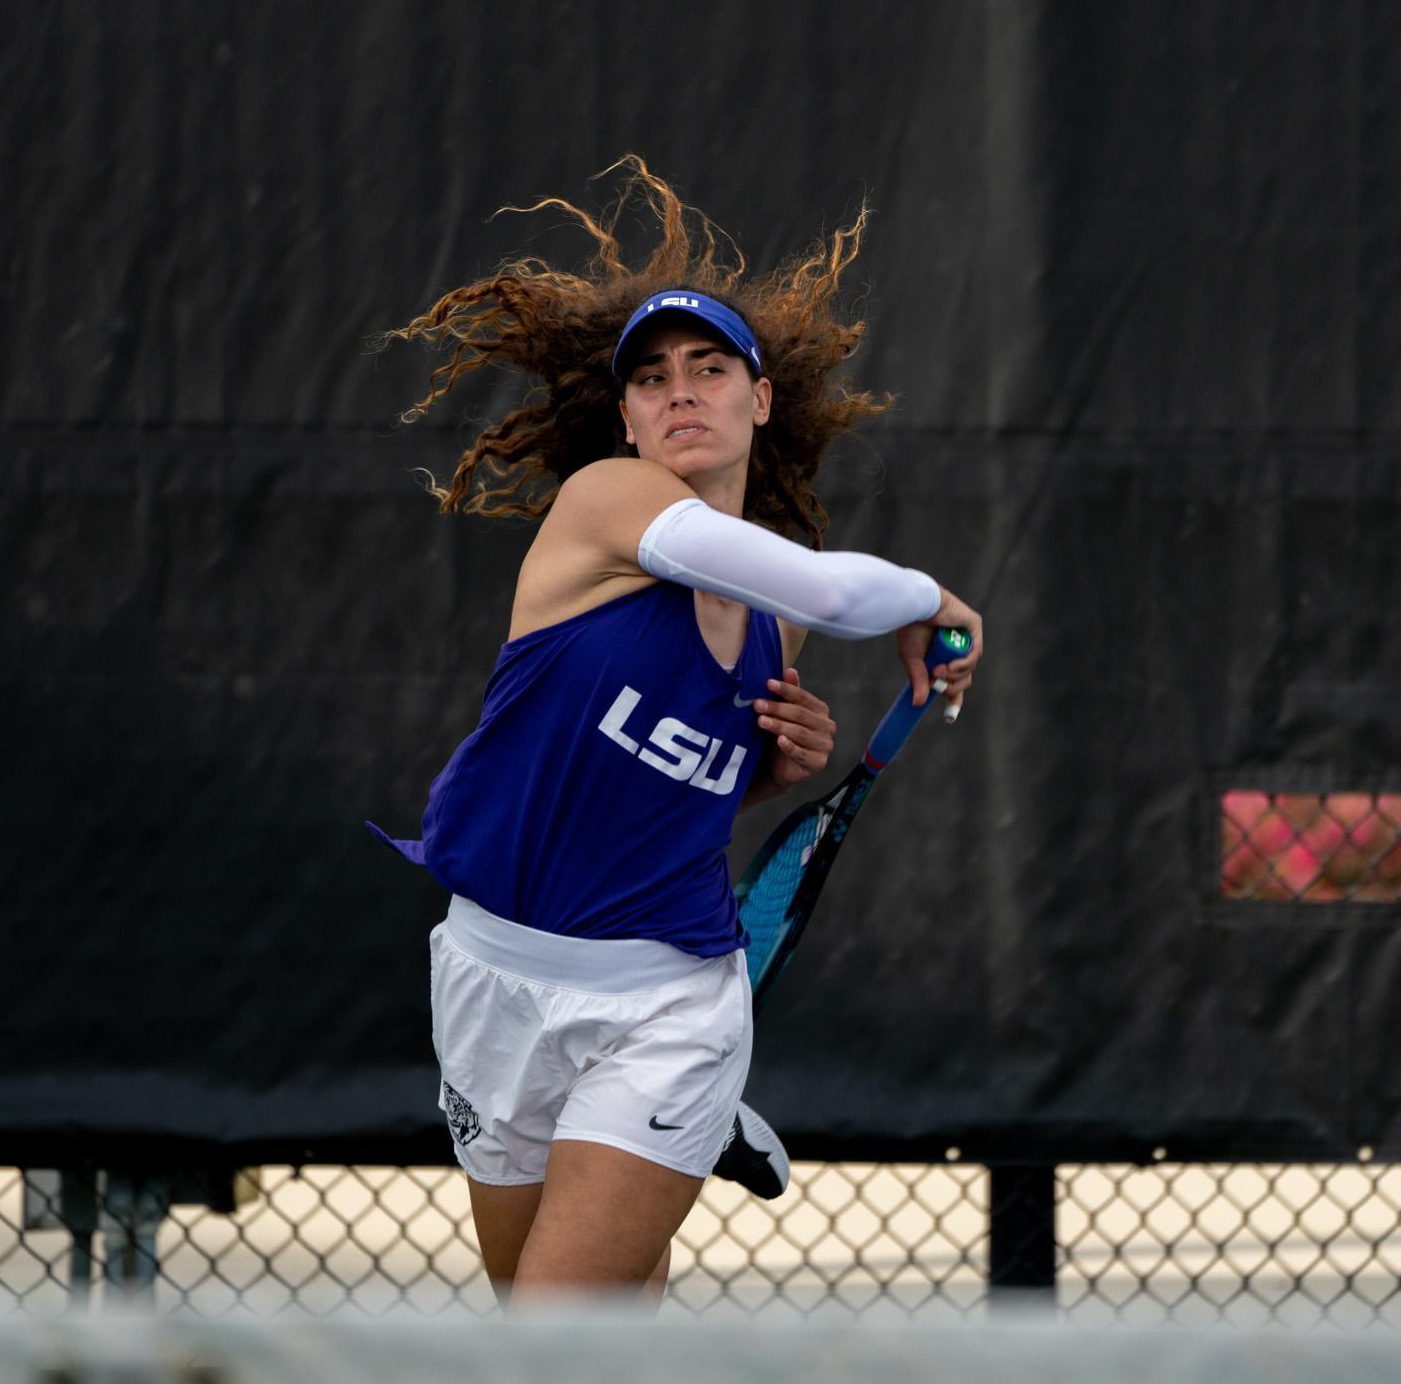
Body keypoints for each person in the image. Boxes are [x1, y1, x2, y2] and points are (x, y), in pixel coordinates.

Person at [366, 160, 983, 1303]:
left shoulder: (776, 621)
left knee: (555, 1345)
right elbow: (857, 599)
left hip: (662, 1003)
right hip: (491, 977)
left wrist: (760, 774)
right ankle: (686, 1134)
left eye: (709, 368)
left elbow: (669, 796)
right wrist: (932, 596)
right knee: (591, 1335)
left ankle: (689, 1100)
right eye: (650, 379)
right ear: (626, 418)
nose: (678, 392)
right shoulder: (605, 501)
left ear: (760, 399)